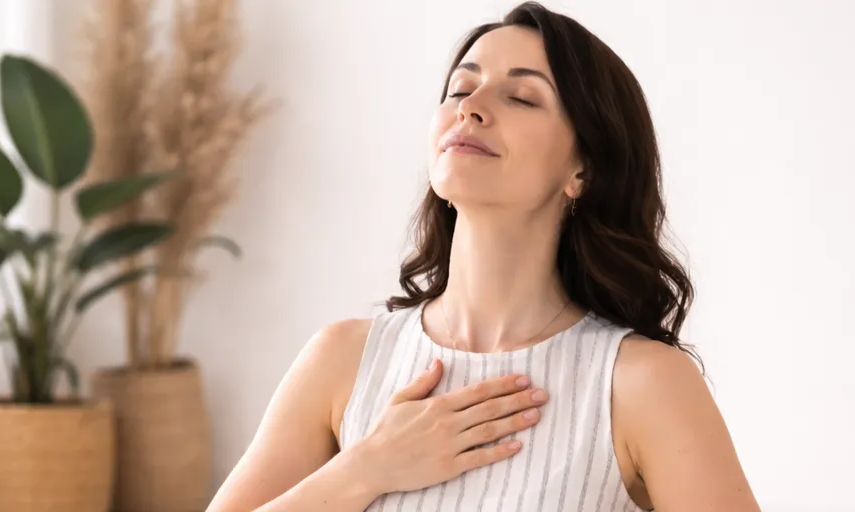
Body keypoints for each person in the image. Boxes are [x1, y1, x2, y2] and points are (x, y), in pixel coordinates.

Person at [207, 2, 761, 511]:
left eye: (520, 97)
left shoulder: (642, 383)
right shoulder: (343, 360)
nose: (469, 108)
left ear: (583, 170)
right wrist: (366, 468)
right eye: (458, 90)